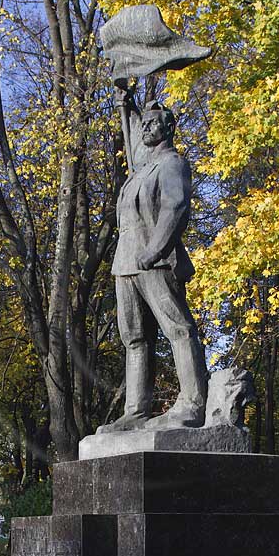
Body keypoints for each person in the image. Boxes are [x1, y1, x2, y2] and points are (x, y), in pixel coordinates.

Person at [98, 93, 207, 433]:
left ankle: (192, 401)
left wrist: (156, 250)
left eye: (152, 123)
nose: (145, 128)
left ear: (169, 128)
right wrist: (126, 103)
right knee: (134, 338)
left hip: (154, 261)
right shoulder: (140, 168)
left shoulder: (172, 164)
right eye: (143, 124)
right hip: (125, 264)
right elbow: (133, 133)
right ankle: (136, 411)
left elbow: (176, 208)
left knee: (177, 327)